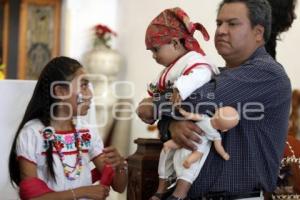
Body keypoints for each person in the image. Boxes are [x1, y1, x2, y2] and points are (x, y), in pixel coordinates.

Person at [137, 0, 291, 199]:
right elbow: (178, 111)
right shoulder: (215, 74)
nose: (221, 31)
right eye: (219, 24)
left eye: (232, 24)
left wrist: (153, 104)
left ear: (258, 33)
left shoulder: (266, 73)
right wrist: (172, 126)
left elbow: (197, 99)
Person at [8, 56, 127, 200]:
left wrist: (120, 165)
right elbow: (32, 198)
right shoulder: (32, 133)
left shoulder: (86, 132)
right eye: (83, 86)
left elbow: (119, 186)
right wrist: (81, 192)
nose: (90, 95)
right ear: (60, 92)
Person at [143, 7, 220, 200]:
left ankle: (180, 192)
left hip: (199, 122)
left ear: (175, 43)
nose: (153, 55)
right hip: (177, 121)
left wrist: (179, 89)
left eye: (155, 49)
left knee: (189, 154)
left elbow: (202, 74)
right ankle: (162, 187)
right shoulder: (172, 67)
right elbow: (156, 93)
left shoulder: (194, 60)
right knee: (167, 151)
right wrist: (152, 101)